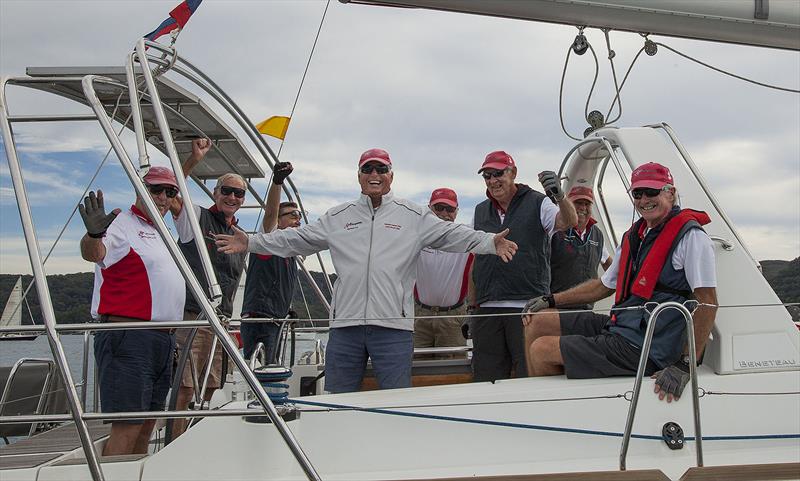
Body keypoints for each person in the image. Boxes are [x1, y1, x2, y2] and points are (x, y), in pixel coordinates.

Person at [215, 148, 518, 393]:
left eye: (381, 169)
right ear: (359, 176)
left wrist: (491, 242)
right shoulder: (338, 217)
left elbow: (455, 236)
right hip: (345, 327)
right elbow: (296, 239)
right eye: (368, 169)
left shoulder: (414, 216)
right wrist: (252, 241)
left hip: (393, 328)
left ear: (391, 176)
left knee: (394, 402)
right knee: (340, 402)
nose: (374, 174)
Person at [522, 162, 718, 403]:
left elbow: (708, 302)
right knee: (538, 321)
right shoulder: (636, 236)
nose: (644, 199)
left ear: (671, 192)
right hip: (623, 327)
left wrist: (686, 364)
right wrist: (549, 299)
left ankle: (551, 412)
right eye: (638, 193)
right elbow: (603, 285)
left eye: (652, 191)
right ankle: (552, 397)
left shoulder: (691, 237)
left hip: (648, 346)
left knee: (541, 350)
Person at [79, 167, 184, 455]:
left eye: (170, 191)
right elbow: (95, 253)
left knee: (148, 427)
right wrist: (93, 233)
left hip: (162, 341)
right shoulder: (120, 224)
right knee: (128, 427)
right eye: (156, 190)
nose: (163, 197)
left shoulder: (158, 231)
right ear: (140, 189)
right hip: (130, 336)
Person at [470, 150, 577, 382]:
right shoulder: (479, 211)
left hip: (527, 309)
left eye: (498, 173)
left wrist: (559, 196)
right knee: (485, 380)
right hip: (487, 310)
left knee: (529, 378)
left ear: (513, 173)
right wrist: (472, 307)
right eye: (487, 175)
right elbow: (474, 262)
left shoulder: (539, 202)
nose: (492, 180)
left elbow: (568, 221)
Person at [171, 138, 247, 437]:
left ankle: (200, 441)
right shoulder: (197, 219)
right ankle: (174, 445)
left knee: (213, 388)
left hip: (221, 323)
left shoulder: (240, 236)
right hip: (193, 318)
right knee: (185, 388)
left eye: (238, 193)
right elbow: (173, 194)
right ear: (215, 194)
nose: (232, 196)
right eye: (226, 190)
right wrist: (193, 160)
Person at [240, 161, 300, 363]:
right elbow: (270, 214)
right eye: (293, 215)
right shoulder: (268, 241)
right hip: (261, 318)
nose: (298, 220)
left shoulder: (290, 252)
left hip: (276, 319)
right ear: (279, 221)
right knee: (262, 370)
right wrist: (278, 182)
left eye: (300, 215)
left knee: (273, 368)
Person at [413, 188, 473, 359]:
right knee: (415, 372)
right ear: (429, 209)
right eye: (438, 208)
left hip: (453, 318)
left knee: (452, 375)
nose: (444, 213)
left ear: (456, 212)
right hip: (419, 316)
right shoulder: (415, 237)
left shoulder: (467, 236)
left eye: (450, 209)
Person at [549, 185, 612, 311]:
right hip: (555, 306)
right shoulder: (555, 230)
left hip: (586, 307)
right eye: (577, 203)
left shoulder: (597, 234)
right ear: (568, 205)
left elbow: (609, 265)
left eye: (587, 203)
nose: (583, 208)